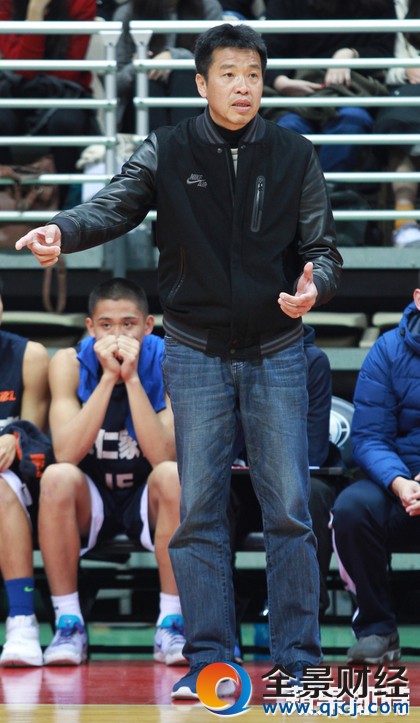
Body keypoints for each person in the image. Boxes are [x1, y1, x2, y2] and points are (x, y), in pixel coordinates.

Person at [15, 23, 343, 697]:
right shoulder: (167, 149)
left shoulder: (294, 154)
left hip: (278, 349)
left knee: (289, 511)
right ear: (201, 83)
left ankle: (298, 663)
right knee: (199, 515)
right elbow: (113, 206)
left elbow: (323, 250)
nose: (243, 86)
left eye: (253, 74)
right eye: (229, 73)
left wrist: (318, 287)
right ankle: (210, 661)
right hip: (194, 351)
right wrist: (62, 230)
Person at [37, 277, 185, 667]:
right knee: (56, 477)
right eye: (106, 325)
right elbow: (65, 452)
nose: (117, 335)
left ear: (148, 326)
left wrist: (132, 378)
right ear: (90, 328)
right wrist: (107, 378)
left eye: (128, 324)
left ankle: (171, 623)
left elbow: (164, 454)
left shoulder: (169, 359)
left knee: (173, 475)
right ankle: (69, 623)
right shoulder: (69, 363)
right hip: (93, 497)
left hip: (146, 496)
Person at [230, 323, 344, 622]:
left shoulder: (312, 361)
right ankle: (225, 614)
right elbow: (226, 447)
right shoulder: (225, 358)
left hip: (294, 480)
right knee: (214, 496)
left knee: (314, 494)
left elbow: (313, 449)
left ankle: (304, 618)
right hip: (244, 484)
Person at [331, 284, 420, 664]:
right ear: (418, 298)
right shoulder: (388, 350)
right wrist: (401, 483)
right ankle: (376, 628)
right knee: (351, 509)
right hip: (399, 483)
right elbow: (368, 437)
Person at [262, 0, 396, 172]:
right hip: (294, 94)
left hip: (350, 93)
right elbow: (269, 53)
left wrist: (351, 54)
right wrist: (281, 82)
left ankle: (328, 187)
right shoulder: (286, 3)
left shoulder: (378, 3)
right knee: (289, 128)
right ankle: (302, 187)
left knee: (352, 123)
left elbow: (384, 50)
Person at [0, 0, 100, 204]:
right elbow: (20, 68)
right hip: (13, 90)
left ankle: (63, 207)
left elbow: (68, 70)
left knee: (67, 120)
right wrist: (35, 13)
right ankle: (9, 199)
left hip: (65, 92)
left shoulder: (81, 3)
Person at [0, 275, 51, 667]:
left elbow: (35, 437)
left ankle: (22, 620)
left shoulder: (29, 355)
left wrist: (14, 436)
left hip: (15, 480)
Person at [114, 0, 224, 133]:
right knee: (148, 80)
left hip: (195, 100)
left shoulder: (208, 8)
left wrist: (175, 57)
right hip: (137, 109)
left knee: (184, 76)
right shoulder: (128, 12)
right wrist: (139, 66)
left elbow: (218, 71)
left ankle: (185, 143)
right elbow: (114, 85)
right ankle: (157, 144)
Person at [373, 0, 420, 247]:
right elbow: (383, 66)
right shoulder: (397, 5)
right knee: (397, 124)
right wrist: (404, 71)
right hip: (407, 88)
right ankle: (404, 223)